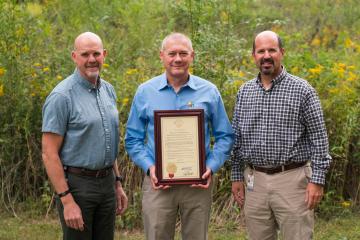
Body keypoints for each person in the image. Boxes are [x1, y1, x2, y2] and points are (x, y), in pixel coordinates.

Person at [125, 32, 234, 240]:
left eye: (183, 53)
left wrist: (210, 167)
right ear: (162, 56)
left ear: (192, 56)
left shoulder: (209, 91)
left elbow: (225, 136)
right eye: (172, 53)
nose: (177, 59)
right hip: (158, 182)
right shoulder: (145, 92)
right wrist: (150, 167)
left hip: (197, 185)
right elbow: (132, 139)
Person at [231, 30, 332, 240]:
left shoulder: (302, 90)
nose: (266, 55)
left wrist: (317, 181)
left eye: (272, 50)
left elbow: (319, 138)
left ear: (282, 52)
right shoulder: (245, 91)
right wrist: (235, 176)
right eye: (261, 51)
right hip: (254, 182)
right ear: (254, 56)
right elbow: (237, 138)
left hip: (293, 181)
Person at [41, 32, 128, 240]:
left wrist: (117, 183)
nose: (91, 59)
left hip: (107, 184)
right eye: (85, 54)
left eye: (96, 53)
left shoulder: (109, 90)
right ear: (74, 56)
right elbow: (49, 153)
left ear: (104, 55)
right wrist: (67, 200)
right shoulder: (61, 97)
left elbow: (107, 140)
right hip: (78, 187)